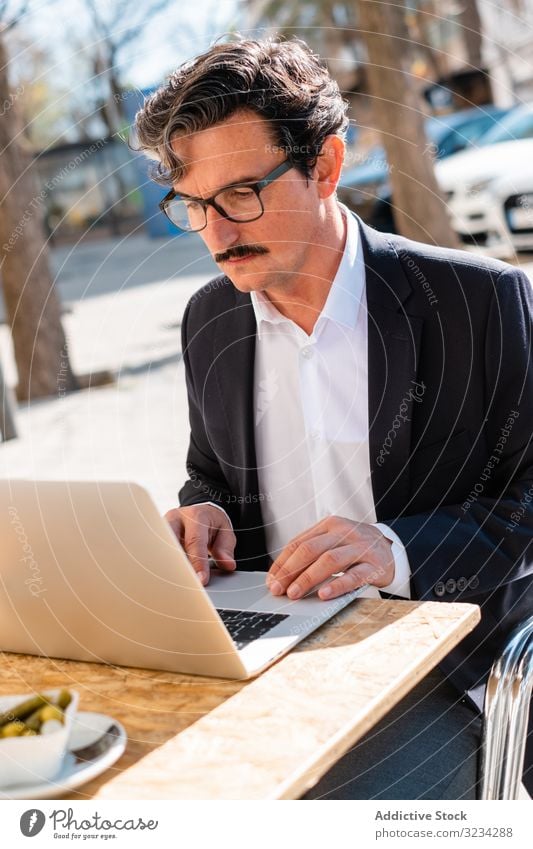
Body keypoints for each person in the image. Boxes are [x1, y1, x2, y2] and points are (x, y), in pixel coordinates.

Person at [134, 37, 533, 799]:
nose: (218, 233)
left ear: (325, 166)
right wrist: (203, 514)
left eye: (243, 192)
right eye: (194, 205)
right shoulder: (209, 320)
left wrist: (394, 551)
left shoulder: (476, 302)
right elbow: (209, 473)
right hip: (263, 653)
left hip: (436, 668)